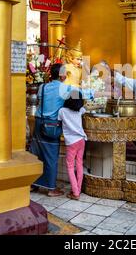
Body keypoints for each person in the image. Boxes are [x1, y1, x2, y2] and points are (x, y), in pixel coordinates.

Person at [30, 63, 93, 197]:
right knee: (51, 156)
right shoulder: (66, 88)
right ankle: (51, 188)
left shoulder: (42, 87)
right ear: (62, 75)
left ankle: (33, 184)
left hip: (38, 122)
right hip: (52, 125)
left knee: (36, 154)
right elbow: (83, 95)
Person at [58, 91, 87, 200]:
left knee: (70, 166)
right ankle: (78, 189)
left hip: (71, 142)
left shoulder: (62, 111)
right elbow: (85, 109)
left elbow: (59, 122)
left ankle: (75, 192)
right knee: (79, 164)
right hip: (81, 140)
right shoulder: (80, 110)